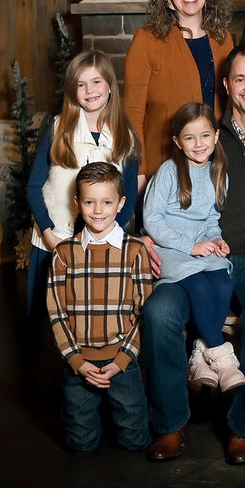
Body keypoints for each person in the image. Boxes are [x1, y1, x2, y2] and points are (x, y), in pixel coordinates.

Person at [141, 44, 245, 465]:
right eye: (240, 78)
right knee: (159, 313)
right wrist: (144, 239)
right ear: (226, 85)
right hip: (198, 260)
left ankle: (244, 427)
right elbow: (165, 202)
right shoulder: (203, 138)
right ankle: (171, 424)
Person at [46, 162, 152, 453]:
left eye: (107, 202)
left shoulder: (135, 251)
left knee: (135, 442)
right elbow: (57, 315)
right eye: (90, 202)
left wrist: (120, 361)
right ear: (77, 203)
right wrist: (77, 363)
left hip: (123, 361)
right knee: (80, 446)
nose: (98, 210)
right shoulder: (64, 254)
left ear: (121, 204)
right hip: (79, 364)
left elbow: (143, 313)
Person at [142, 103, 244, 393]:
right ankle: (221, 355)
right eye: (189, 137)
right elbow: (152, 219)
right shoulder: (169, 171)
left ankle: (200, 354)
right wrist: (190, 245)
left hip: (201, 244)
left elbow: (212, 218)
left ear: (215, 137)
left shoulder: (218, 171)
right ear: (177, 142)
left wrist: (216, 238)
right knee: (199, 288)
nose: (198, 144)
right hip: (171, 246)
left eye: (204, 136)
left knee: (223, 283)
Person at [26, 50, 139, 313]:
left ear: (110, 86)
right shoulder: (58, 128)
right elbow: (33, 187)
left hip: (103, 250)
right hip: (54, 240)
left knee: (94, 323)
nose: (90, 90)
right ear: (72, 90)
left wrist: (108, 238)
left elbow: (130, 196)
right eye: (81, 84)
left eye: (97, 81)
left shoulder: (126, 135)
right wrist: (49, 235)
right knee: (52, 328)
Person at [124, 0, 236, 182]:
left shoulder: (223, 39)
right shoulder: (147, 40)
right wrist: (140, 171)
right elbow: (133, 113)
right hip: (162, 167)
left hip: (212, 166)